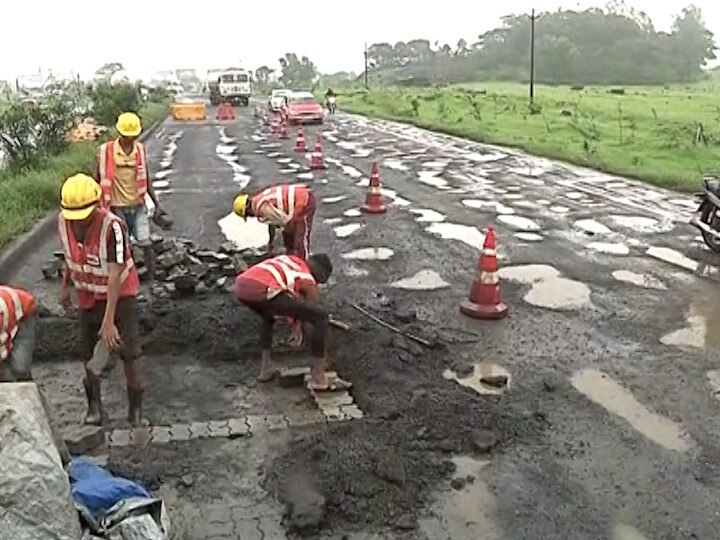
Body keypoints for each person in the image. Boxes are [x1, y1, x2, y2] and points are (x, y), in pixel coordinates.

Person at [57, 173, 147, 427]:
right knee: (88, 354)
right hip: (87, 292)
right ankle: (94, 408)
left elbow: (116, 274)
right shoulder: (63, 222)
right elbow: (68, 253)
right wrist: (65, 286)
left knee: (128, 352)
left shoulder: (114, 226)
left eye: (84, 216)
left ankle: (135, 411)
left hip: (121, 295)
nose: (79, 222)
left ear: (96, 205)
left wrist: (109, 322)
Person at [234, 253, 351, 391]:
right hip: (262, 287)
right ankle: (319, 378)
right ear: (319, 275)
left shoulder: (291, 261)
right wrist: (300, 330)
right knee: (321, 317)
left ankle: (266, 368)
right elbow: (310, 312)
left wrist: (296, 324)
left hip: (242, 285)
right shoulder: (308, 279)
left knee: (268, 316)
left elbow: (292, 305)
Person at [1, 283, 72, 464]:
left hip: (25, 313)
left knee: (18, 373)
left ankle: (56, 449)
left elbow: (4, 351)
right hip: (9, 312)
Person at [95, 111, 161, 280]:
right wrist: (97, 205)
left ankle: (153, 280)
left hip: (138, 205)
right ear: (120, 133)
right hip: (117, 207)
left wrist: (157, 204)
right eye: (126, 136)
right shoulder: (106, 151)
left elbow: (146, 178)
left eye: (132, 136)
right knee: (124, 246)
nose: (129, 140)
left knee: (146, 242)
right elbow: (98, 178)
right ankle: (126, 280)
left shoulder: (139, 150)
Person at [233, 183, 316, 260]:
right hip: (299, 196)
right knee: (288, 236)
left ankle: (304, 264)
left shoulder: (261, 207)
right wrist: (271, 243)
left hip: (304, 201)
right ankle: (292, 259)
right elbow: (272, 223)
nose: (252, 217)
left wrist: (289, 230)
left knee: (300, 237)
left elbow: (284, 220)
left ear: (247, 209)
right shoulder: (258, 200)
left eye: (248, 215)